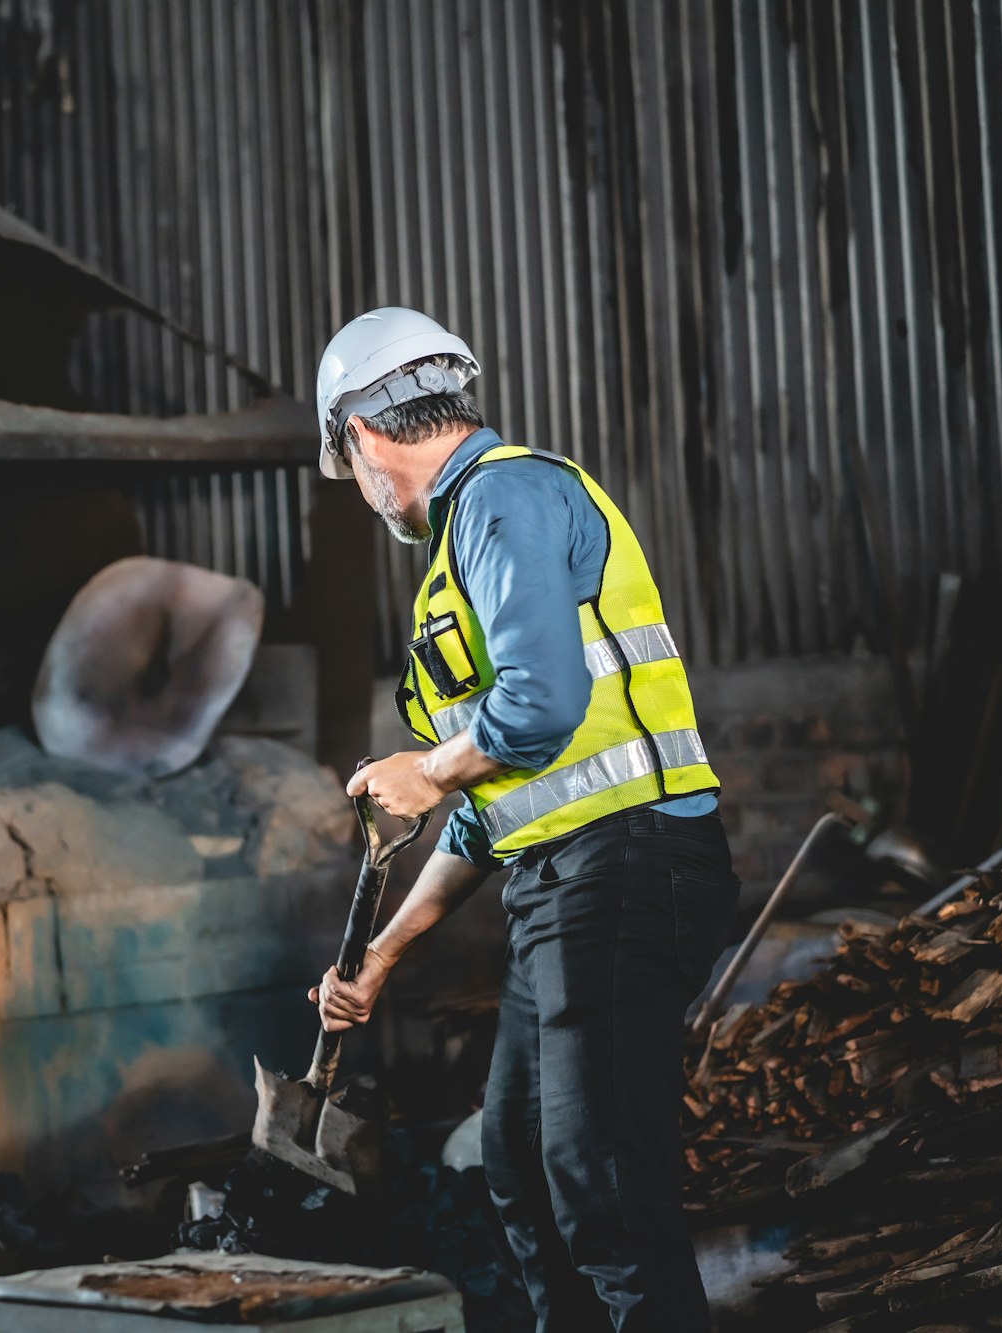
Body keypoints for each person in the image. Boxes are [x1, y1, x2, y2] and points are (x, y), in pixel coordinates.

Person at [306, 308, 740, 1332]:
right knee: (519, 1164)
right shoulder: (470, 542)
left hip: (629, 864)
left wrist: (428, 767)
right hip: (563, 880)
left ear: (362, 440)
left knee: (594, 1172)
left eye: (348, 466)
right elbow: (494, 807)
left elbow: (537, 712)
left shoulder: (505, 497)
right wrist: (382, 952)